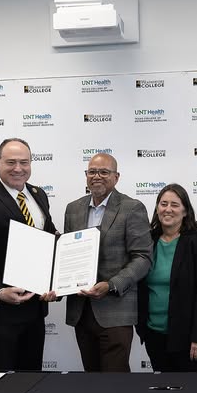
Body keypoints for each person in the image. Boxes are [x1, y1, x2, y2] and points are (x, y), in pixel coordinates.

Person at [0, 137, 58, 370]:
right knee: (2, 380)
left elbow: (48, 240)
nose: (18, 168)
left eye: (24, 162)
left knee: (31, 376)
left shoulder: (39, 195)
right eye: (11, 162)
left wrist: (56, 281)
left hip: (35, 307)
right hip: (0, 313)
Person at [62, 153, 152, 372]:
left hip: (115, 311)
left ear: (116, 177)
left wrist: (112, 284)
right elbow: (67, 256)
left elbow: (143, 258)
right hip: (81, 311)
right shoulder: (73, 209)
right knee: (90, 378)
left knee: (115, 382)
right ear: (86, 176)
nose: (97, 176)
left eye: (104, 172)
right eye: (92, 171)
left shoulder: (132, 208)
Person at [136, 184, 197, 372]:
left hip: (190, 339)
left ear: (185, 211)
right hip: (154, 335)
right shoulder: (148, 241)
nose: (168, 209)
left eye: (174, 204)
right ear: (157, 209)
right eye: (163, 204)